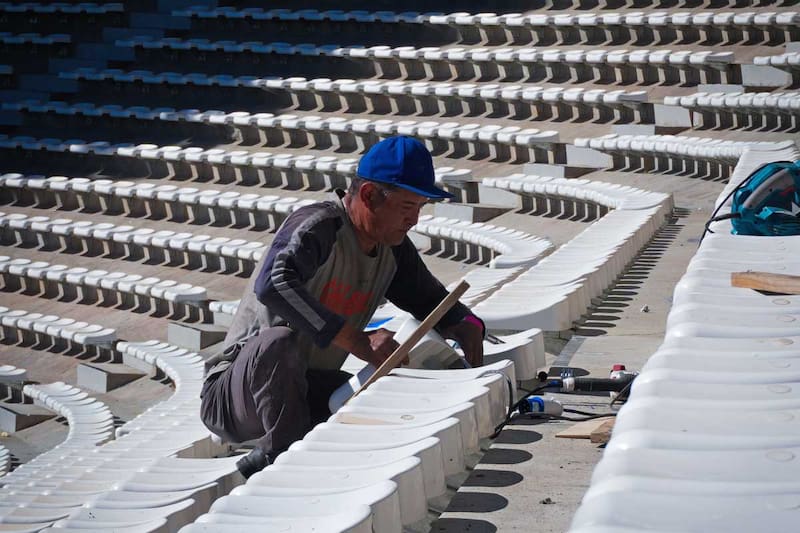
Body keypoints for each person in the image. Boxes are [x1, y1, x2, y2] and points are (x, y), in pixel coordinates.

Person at [200, 136, 485, 478]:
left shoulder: (392, 246)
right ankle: (277, 461)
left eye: (420, 208)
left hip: (307, 388)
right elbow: (273, 284)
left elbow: (432, 301)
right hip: (233, 397)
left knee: (375, 399)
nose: (414, 220)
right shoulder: (320, 225)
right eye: (408, 207)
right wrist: (360, 342)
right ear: (368, 196)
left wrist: (467, 322)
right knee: (278, 342)